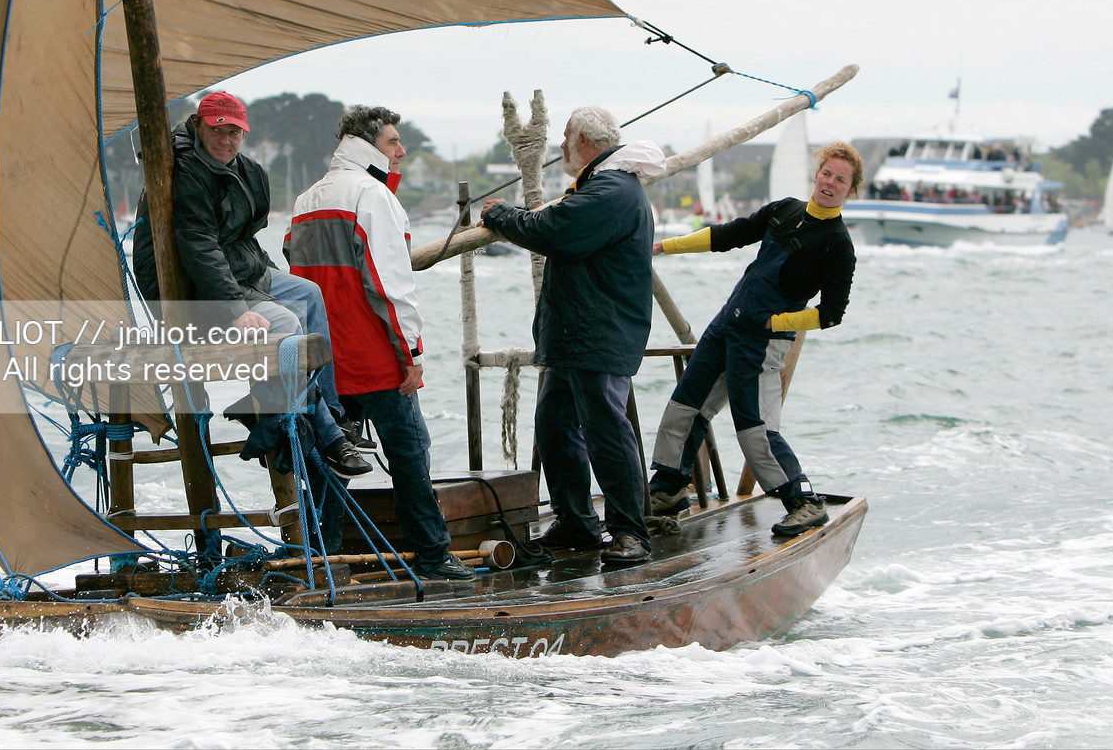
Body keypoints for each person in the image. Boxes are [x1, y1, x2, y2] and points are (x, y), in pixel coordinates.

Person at [131, 92, 371, 477]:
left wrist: (270, 276)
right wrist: (236, 311)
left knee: (308, 294)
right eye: (217, 130)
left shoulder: (245, 170)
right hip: (190, 291)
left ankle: (332, 414)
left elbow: (245, 239)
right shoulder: (184, 171)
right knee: (285, 324)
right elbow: (200, 250)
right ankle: (322, 433)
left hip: (240, 271)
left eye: (234, 133)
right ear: (198, 125)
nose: (226, 140)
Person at [285, 105, 473, 581]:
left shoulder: (305, 200)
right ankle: (432, 556)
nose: (401, 150)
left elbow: (293, 269)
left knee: (332, 458)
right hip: (372, 355)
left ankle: (324, 562)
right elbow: (389, 285)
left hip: (323, 361)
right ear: (368, 145)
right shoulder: (372, 196)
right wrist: (410, 353)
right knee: (410, 451)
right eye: (393, 142)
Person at [646, 142, 863, 537]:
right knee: (685, 406)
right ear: (816, 174)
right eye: (827, 173)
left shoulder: (838, 244)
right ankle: (668, 491)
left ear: (851, 190)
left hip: (762, 340)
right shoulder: (785, 209)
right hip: (727, 325)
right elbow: (730, 235)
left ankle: (803, 502)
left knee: (756, 428)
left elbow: (831, 314)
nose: (830, 182)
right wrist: (663, 247)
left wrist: (775, 322)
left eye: (841, 180)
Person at [481, 107, 667, 566]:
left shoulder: (613, 190)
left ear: (584, 140)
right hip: (573, 334)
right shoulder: (604, 185)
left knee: (605, 431)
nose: (561, 146)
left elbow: (558, 231)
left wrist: (501, 215)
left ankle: (629, 531)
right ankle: (576, 523)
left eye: (566, 137)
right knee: (555, 427)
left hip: (598, 334)